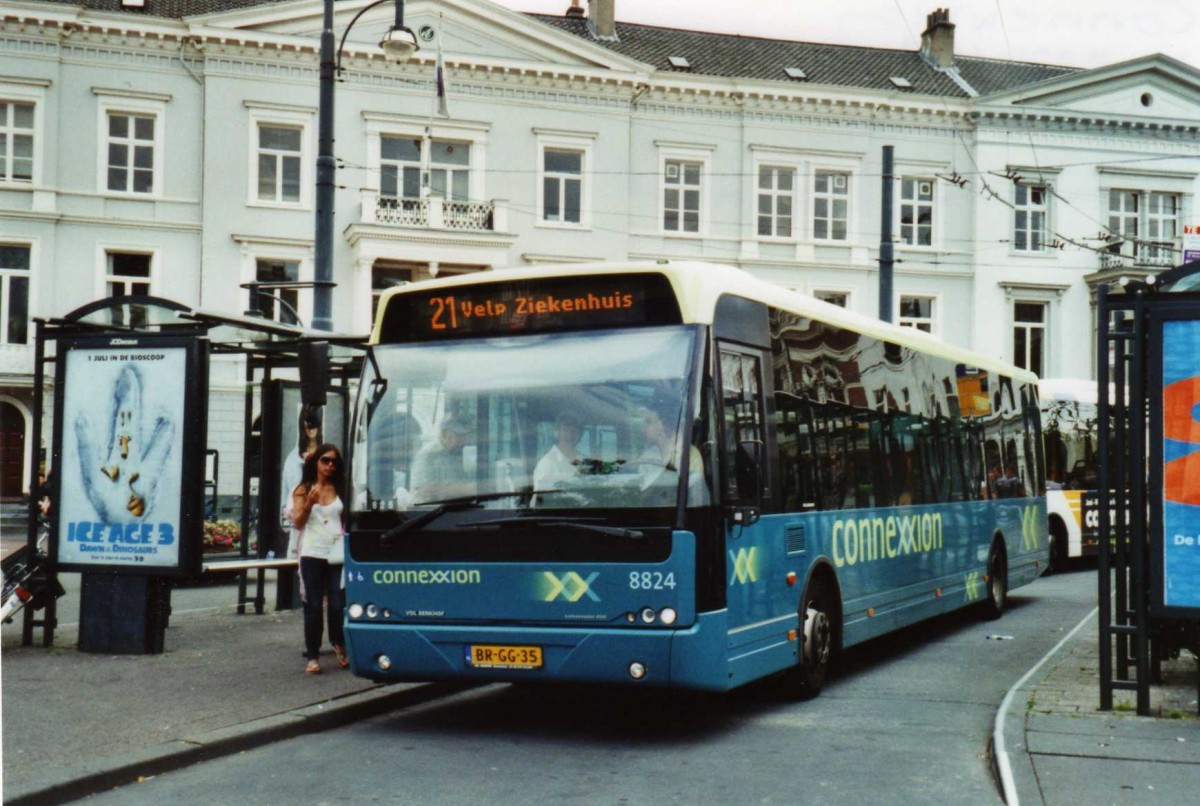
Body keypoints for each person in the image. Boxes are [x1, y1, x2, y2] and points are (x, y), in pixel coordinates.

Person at [291, 443, 347, 675]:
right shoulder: (303, 489)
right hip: (312, 553)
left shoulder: (340, 488)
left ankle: (339, 644)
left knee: (337, 603)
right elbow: (297, 522)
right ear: (316, 462)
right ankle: (312, 655)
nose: (330, 465)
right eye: (325, 460)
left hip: (336, 554)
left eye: (334, 461)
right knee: (313, 606)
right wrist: (310, 503)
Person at [635, 400, 708, 505]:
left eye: (649, 422)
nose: (644, 428)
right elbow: (640, 494)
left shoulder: (690, 455)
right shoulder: (648, 455)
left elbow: (694, 498)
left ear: (662, 425)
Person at [282, 405, 322, 558]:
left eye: (315, 424)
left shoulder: (327, 457)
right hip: (301, 524)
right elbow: (289, 496)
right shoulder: (293, 460)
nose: (311, 429)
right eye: (307, 424)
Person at [410, 414, 475, 502]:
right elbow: (423, 491)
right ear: (445, 434)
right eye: (460, 436)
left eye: (466, 436)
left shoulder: (456, 453)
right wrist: (465, 490)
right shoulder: (428, 455)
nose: (465, 441)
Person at [533, 412, 584, 496]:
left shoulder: (584, 461)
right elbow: (540, 501)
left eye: (573, 431)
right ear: (557, 433)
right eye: (565, 430)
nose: (569, 435)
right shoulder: (546, 463)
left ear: (579, 435)